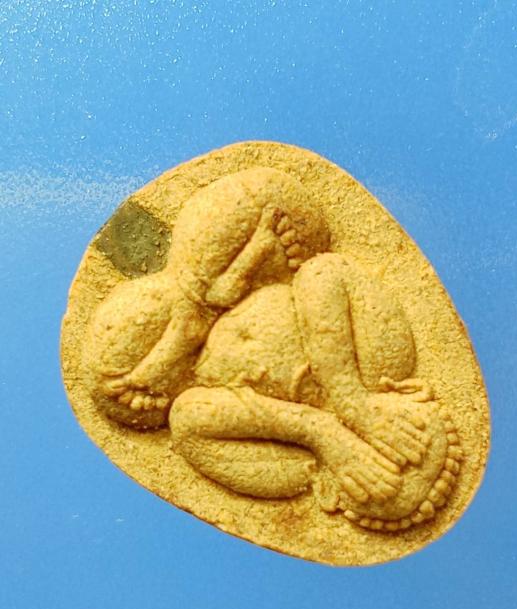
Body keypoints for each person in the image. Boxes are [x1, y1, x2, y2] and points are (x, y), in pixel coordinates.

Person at [85, 167, 460, 528]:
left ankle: (334, 410)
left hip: (217, 361)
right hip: (265, 341)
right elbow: (327, 271)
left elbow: (194, 433)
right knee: (320, 272)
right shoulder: (387, 362)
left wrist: (318, 427)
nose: (381, 450)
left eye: (370, 480)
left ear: (329, 493)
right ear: (411, 393)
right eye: (407, 431)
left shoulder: (294, 469)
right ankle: (342, 406)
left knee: (186, 415)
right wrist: (344, 403)